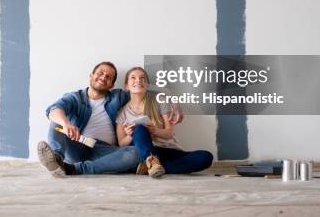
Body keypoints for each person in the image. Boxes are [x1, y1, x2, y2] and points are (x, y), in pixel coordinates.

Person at [37, 61, 183, 177]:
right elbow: (53, 110)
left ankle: (74, 169)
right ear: (91, 75)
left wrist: (173, 101)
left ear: (112, 84)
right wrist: (67, 124)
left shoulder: (117, 96)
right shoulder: (75, 98)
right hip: (78, 143)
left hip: (106, 151)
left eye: (108, 77)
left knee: (137, 152)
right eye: (100, 73)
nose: (103, 77)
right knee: (57, 122)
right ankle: (56, 159)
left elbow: (141, 90)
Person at [116, 66, 213, 178]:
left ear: (147, 85)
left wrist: (154, 131)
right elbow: (121, 143)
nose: (138, 80)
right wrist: (129, 136)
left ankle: (151, 167)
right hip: (144, 151)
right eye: (133, 78)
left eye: (142, 78)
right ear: (126, 85)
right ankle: (151, 162)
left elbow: (169, 133)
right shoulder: (122, 112)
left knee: (205, 157)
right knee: (139, 128)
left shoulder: (160, 101)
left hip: (167, 149)